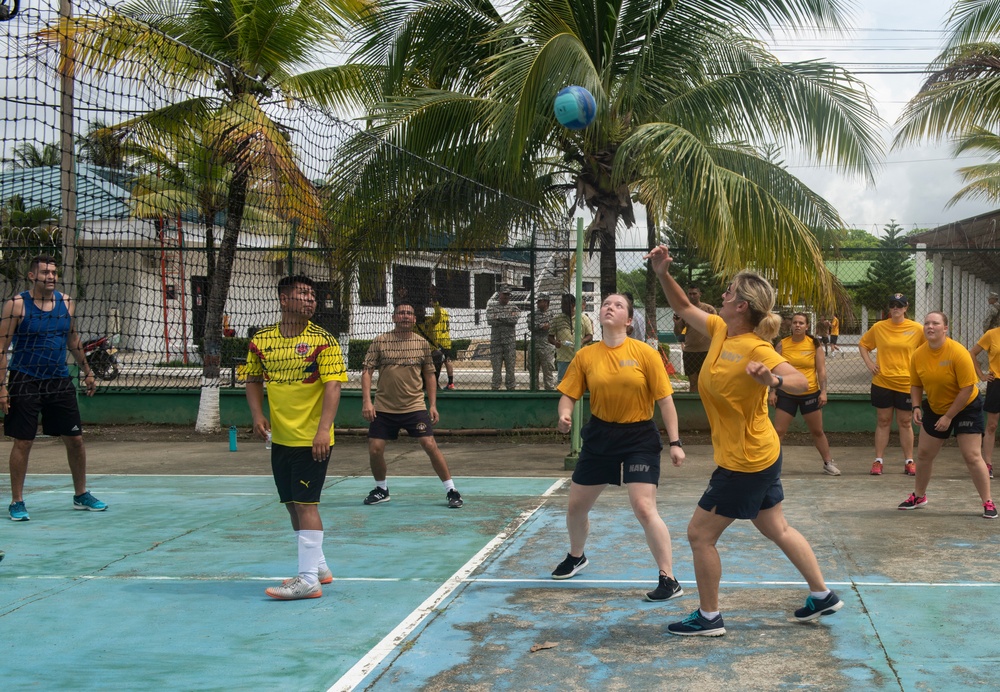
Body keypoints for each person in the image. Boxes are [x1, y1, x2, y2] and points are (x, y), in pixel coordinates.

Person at [647, 244, 843, 636]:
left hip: (746, 461)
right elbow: (684, 307)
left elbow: (802, 381)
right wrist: (662, 274)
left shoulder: (756, 346)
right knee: (776, 528)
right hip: (760, 453)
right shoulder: (720, 330)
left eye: (730, 292)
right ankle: (822, 596)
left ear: (742, 306)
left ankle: (709, 617)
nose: (723, 295)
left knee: (699, 534)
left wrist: (772, 380)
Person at [551, 293, 686, 603]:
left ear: (628, 320)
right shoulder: (586, 356)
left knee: (643, 506)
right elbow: (568, 395)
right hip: (600, 435)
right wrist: (564, 414)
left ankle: (669, 578)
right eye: (606, 304)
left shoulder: (645, 354)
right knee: (576, 508)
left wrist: (675, 443)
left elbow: (665, 400)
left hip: (638, 436)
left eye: (618, 305)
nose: (609, 307)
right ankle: (576, 556)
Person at [245, 275, 347, 600]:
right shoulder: (261, 341)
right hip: (281, 439)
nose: (311, 299)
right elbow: (252, 379)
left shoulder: (324, 340)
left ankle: (307, 581)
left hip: (312, 439)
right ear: (284, 299)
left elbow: (333, 386)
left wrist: (323, 430)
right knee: (291, 504)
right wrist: (258, 415)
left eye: (313, 294)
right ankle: (319, 568)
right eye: (303, 294)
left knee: (306, 504)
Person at [0, 255, 105, 521]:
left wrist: (88, 372)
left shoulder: (66, 302)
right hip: (24, 379)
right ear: (32, 276)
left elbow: (73, 339)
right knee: (23, 441)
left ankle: (81, 495)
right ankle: (17, 502)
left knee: (76, 439)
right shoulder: (16, 305)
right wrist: (2, 387)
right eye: (45, 272)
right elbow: (1, 348)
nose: (51, 276)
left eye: (54, 272)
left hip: (58, 380)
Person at [361, 302, 464, 508]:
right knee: (375, 449)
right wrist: (367, 401)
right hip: (383, 407)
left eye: (409, 313)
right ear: (393, 317)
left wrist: (432, 405)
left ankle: (451, 491)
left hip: (414, 407)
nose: (405, 316)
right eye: (401, 313)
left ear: (414, 319)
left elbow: (429, 375)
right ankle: (381, 489)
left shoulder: (422, 344)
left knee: (429, 445)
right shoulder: (380, 341)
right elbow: (367, 371)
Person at [897, 311, 996, 519]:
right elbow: (915, 384)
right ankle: (919, 496)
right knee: (924, 455)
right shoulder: (918, 355)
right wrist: (916, 406)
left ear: (945, 329)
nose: (930, 327)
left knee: (972, 456)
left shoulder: (958, 352)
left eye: (935, 323)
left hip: (965, 407)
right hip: (935, 407)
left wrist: (949, 417)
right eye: (926, 323)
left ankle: (987, 501)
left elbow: (967, 388)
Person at [859, 293, 925, 477]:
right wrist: (870, 364)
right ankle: (878, 461)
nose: (895, 308)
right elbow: (863, 345)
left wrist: (922, 370)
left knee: (905, 422)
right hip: (882, 382)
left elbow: (928, 348)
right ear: (889, 308)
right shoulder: (879, 327)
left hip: (906, 383)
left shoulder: (917, 329)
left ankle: (909, 461)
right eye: (892, 305)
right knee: (883, 421)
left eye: (899, 305)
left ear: (906, 307)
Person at [769, 313, 840, 476]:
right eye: (795, 322)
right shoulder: (782, 344)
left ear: (807, 326)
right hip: (786, 393)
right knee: (778, 431)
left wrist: (823, 392)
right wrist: (772, 391)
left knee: (817, 431)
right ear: (790, 325)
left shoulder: (814, 344)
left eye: (801, 323)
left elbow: (821, 371)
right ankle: (771, 466)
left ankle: (828, 463)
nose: (797, 325)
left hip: (810, 394)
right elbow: (773, 369)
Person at [672, 285, 716, 394]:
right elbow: (678, 332)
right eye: (690, 294)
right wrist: (677, 323)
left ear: (700, 294)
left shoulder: (709, 309)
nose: (692, 296)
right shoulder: (684, 310)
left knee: (706, 382)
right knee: (693, 382)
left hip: (707, 351)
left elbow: (718, 328)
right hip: (690, 351)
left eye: (694, 293)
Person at [970, 324, 1000, 479]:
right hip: (996, 383)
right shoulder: (992, 334)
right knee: (992, 425)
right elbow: (972, 353)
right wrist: (981, 375)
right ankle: (987, 464)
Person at [550, 292, 594, 384]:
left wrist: (582, 341)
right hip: (563, 358)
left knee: (580, 383)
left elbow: (590, 336)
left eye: (564, 304)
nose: (562, 307)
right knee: (563, 384)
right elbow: (550, 337)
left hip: (580, 357)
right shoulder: (557, 319)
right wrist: (555, 343)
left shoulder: (583, 318)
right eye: (561, 304)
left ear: (572, 305)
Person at [486, 285, 520, 390]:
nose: (506, 297)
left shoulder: (514, 307)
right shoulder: (492, 307)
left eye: (508, 295)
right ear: (499, 294)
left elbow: (514, 320)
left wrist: (499, 317)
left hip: (509, 342)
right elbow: (490, 321)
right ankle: (495, 387)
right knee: (496, 368)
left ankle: (511, 388)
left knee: (510, 368)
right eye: (504, 294)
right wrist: (506, 317)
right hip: (496, 342)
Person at [529, 293, 556, 390]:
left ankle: (549, 391)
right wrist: (542, 326)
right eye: (538, 301)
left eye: (541, 301)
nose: (538, 303)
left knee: (548, 371)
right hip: (534, 345)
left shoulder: (552, 314)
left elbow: (552, 326)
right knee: (533, 371)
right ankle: (534, 390)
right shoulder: (533, 314)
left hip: (547, 345)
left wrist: (541, 325)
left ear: (546, 302)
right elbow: (531, 326)